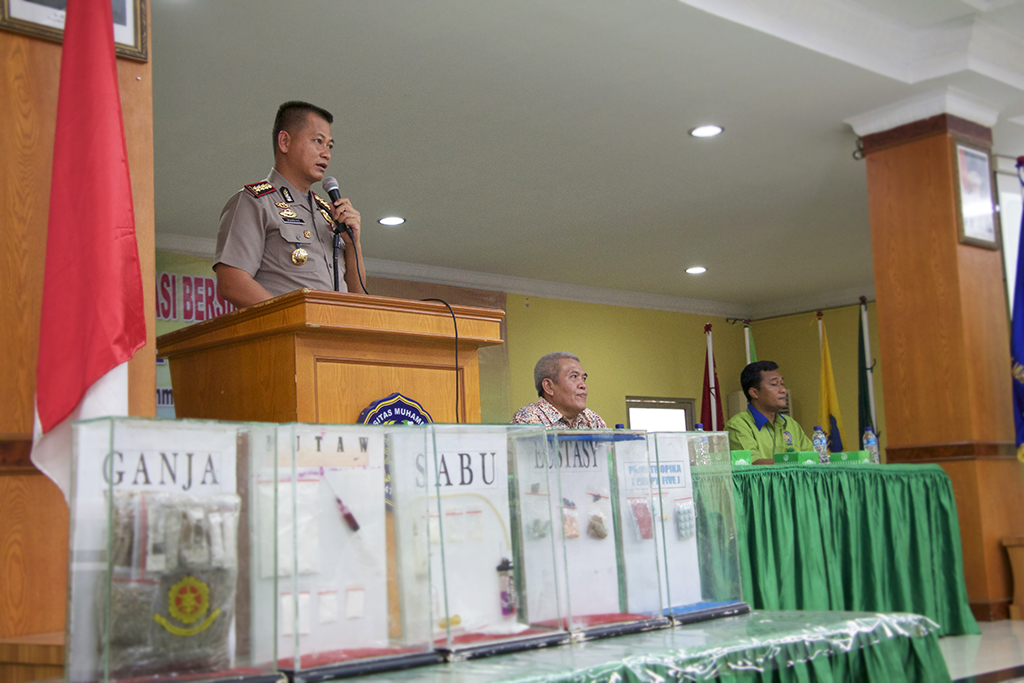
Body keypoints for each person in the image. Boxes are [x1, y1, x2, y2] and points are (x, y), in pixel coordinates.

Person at [214, 101, 366, 308]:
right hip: (287, 337)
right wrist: (291, 319)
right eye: (318, 141)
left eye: (329, 146)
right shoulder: (256, 202)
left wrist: (353, 244)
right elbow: (232, 282)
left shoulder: (328, 214)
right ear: (285, 142)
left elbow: (359, 299)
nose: (326, 154)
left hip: (332, 337)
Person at [726, 360, 813, 460]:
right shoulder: (738, 425)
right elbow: (752, 465)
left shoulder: (791, 424)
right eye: (774, 384)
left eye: (782, 383)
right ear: (754, 392)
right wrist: (793, 462)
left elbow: (811, 459)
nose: (783, 390)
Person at [512, 352, 607, 429]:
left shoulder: (591, 419)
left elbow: (607, 451)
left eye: (584, 378)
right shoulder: (528, 418)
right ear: (549, 386)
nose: (583, 385)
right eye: (574, 376)